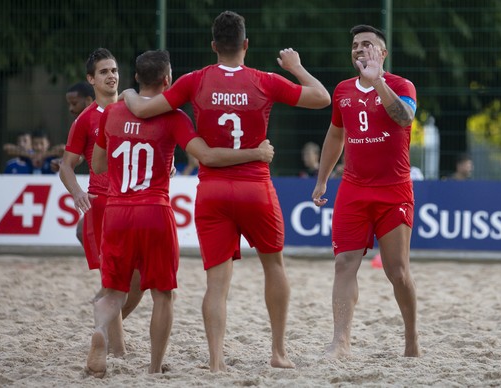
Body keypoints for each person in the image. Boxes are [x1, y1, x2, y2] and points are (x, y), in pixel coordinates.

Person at [120, 10, 330, 372]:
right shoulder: (265, 80)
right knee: (274, 266)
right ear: (246, 44)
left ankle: (216, 362)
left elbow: (143, 108)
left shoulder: (194, 81)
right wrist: (295, 66)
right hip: (256, 188)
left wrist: (125, 91)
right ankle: (278, 352)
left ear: (214, 45)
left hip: (213, 191)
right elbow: (322, 97)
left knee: (216, 283)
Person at [86, 49, 275, 377]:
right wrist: (256, 152)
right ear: (168, 79)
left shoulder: (112, 113)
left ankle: (100, 334)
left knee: (113, 291)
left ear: (135, 78)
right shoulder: (174, 119)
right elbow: (209, 157)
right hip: (155, 211)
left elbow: (98, 164)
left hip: (117, 211)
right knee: (163, 295)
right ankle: (155, 368)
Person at [311, 24, 420, 358]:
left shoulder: (401, 85)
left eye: (368, 45)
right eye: (356, 45)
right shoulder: (343, 90)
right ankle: (340, 341)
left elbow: (403, 119)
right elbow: (334, 136)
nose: (360, 49)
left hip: (394, 190)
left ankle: (411, 339)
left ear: (382, 54)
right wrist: (322, 179)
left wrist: (378, 82)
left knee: (397, 271)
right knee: (344, 263)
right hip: (354, 190)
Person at [59, 48, 143, 358]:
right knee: (116, 283)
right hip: (104, 205)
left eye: (114, 70)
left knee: (140, 282)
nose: (111, 75)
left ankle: (102, 325)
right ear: (91, 79)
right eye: (104, 71)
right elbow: (66, 165)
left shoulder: (136, 108)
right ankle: (117, 351)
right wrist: (77, 193)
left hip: (137, 202)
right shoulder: (85, 119)